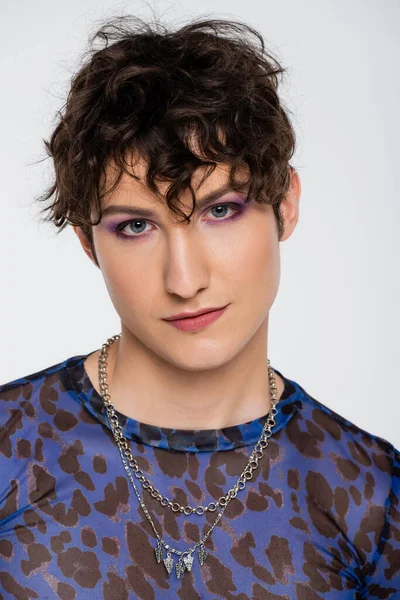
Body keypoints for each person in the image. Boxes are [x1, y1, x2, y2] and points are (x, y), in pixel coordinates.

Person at [0, 14, 399, 600]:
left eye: (219, 211)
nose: (185, 280)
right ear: (89, 243)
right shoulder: (11, 448)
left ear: (285, 206)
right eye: (136, 225)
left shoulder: (371, 495)